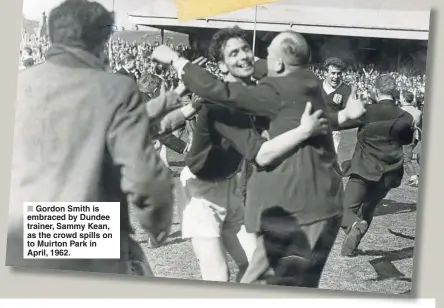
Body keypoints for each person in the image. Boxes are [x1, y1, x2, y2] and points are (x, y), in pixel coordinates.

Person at [152, 29, 366, 287]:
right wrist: (303, 131)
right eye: (234, 53)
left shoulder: (259, 93)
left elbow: (292, 114)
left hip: (230, 188)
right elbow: (262, 154)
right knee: (218, 277)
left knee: (257, 269)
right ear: (221, 65)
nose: (243, 56)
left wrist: (341, 118)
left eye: (245, 49)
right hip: (201, 193)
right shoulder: (224, 104)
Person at [6, 0, 174, 276]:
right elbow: (145, 178)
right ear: (102, 41)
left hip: (18, 236)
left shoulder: (16, 85)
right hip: (88, 233)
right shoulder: (115, 88)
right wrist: (157, 224)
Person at [339, 75, 415, 256]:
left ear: (375, 90)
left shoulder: (366, 111)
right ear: (394, 92)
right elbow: (406, 140)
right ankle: (350, 247)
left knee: (345, 209)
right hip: (389, 173)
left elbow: (341, 122)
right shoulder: (406, 116)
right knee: (369, 207)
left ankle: (353, 226)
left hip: (364, 168)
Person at [321, 57, 352, 154]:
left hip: (334, 133)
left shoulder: (346, 90)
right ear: (325, 73)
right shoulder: (316, 86)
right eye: (333, 73)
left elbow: (348, 115)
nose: (336, 76)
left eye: (339, 73)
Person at [400, 90, 422, 187]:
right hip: (416, 135)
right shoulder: (418, 112)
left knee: (405, 158)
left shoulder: (400, 110)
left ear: (404, 99)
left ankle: (414, 178)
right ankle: (417, 157)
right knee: (405, 154)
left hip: (405, 135)